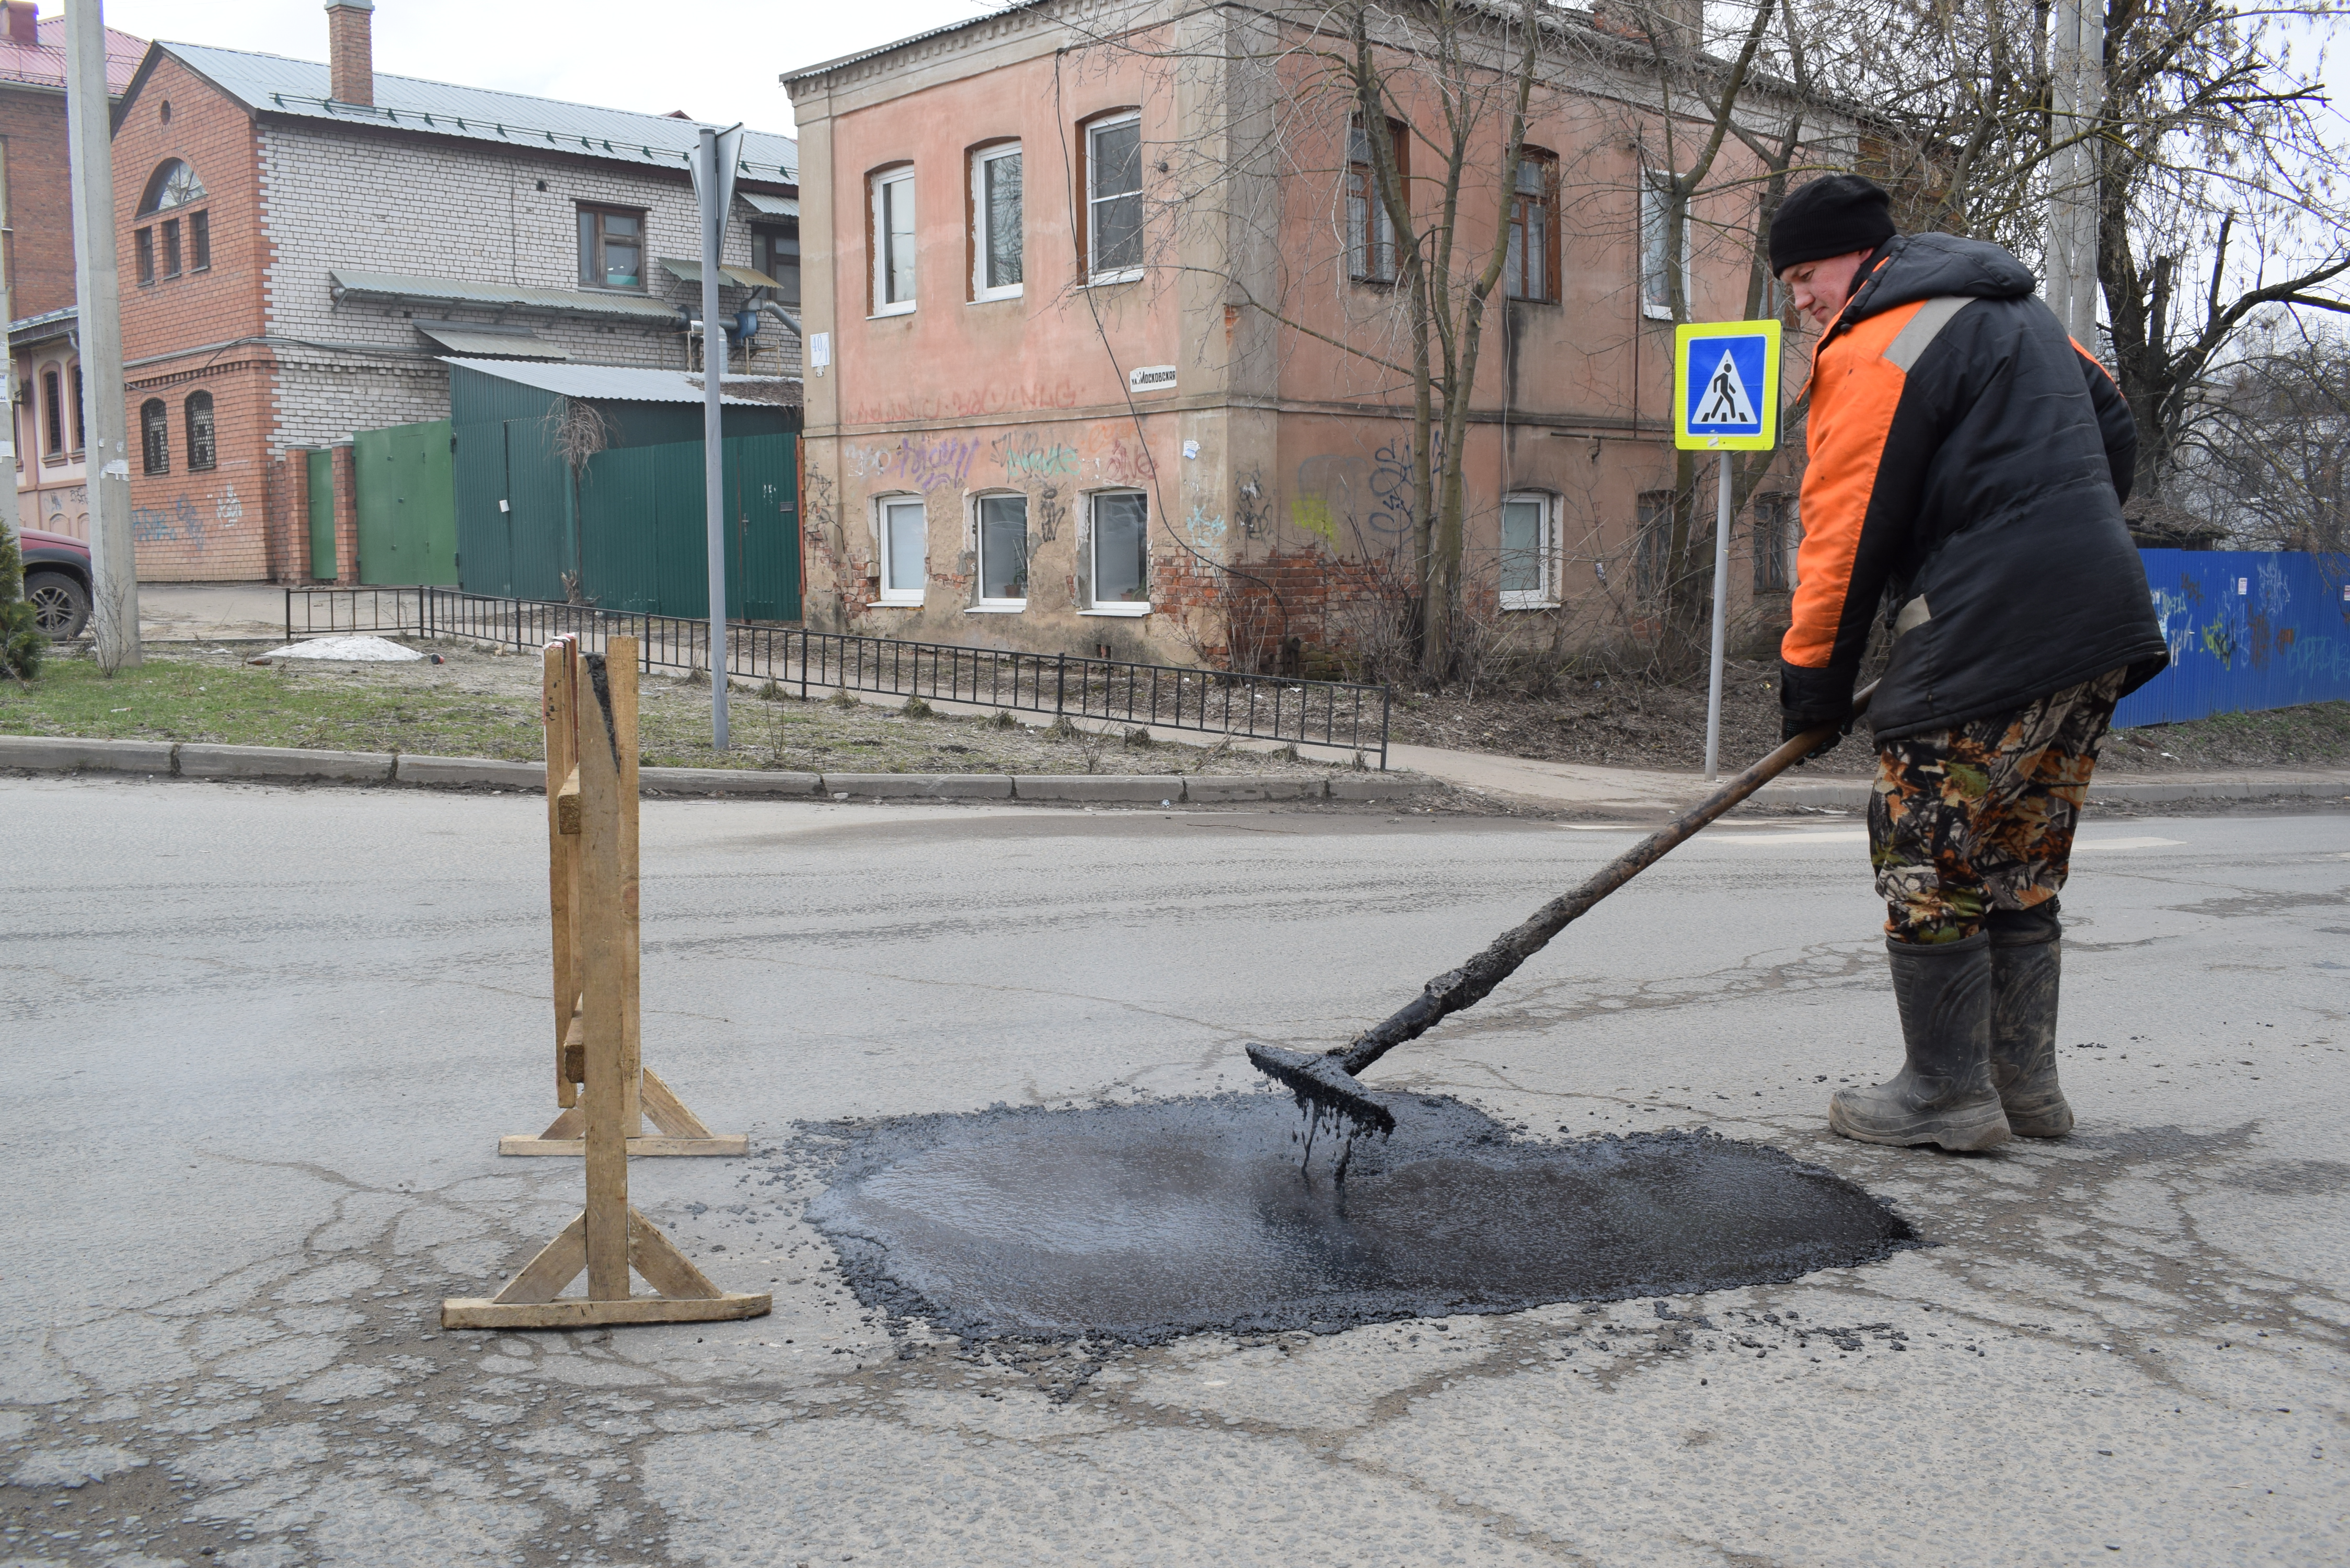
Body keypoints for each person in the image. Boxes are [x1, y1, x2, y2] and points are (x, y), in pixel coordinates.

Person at [1768, 174, 2169, 1151]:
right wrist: (2056, 523)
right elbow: (2112, 420)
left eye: (1807, 275)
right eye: (1789, 284)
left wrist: (1814, 682)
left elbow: (1842, 530)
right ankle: (2024, 1093)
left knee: (1923, 850)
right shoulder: (2018, 310)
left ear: (1859, 258)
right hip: (2098, 615)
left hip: (1994, 623)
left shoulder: (1878, 341)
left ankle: (1945, 1095)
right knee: (2017, 855)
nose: (1801, 301)